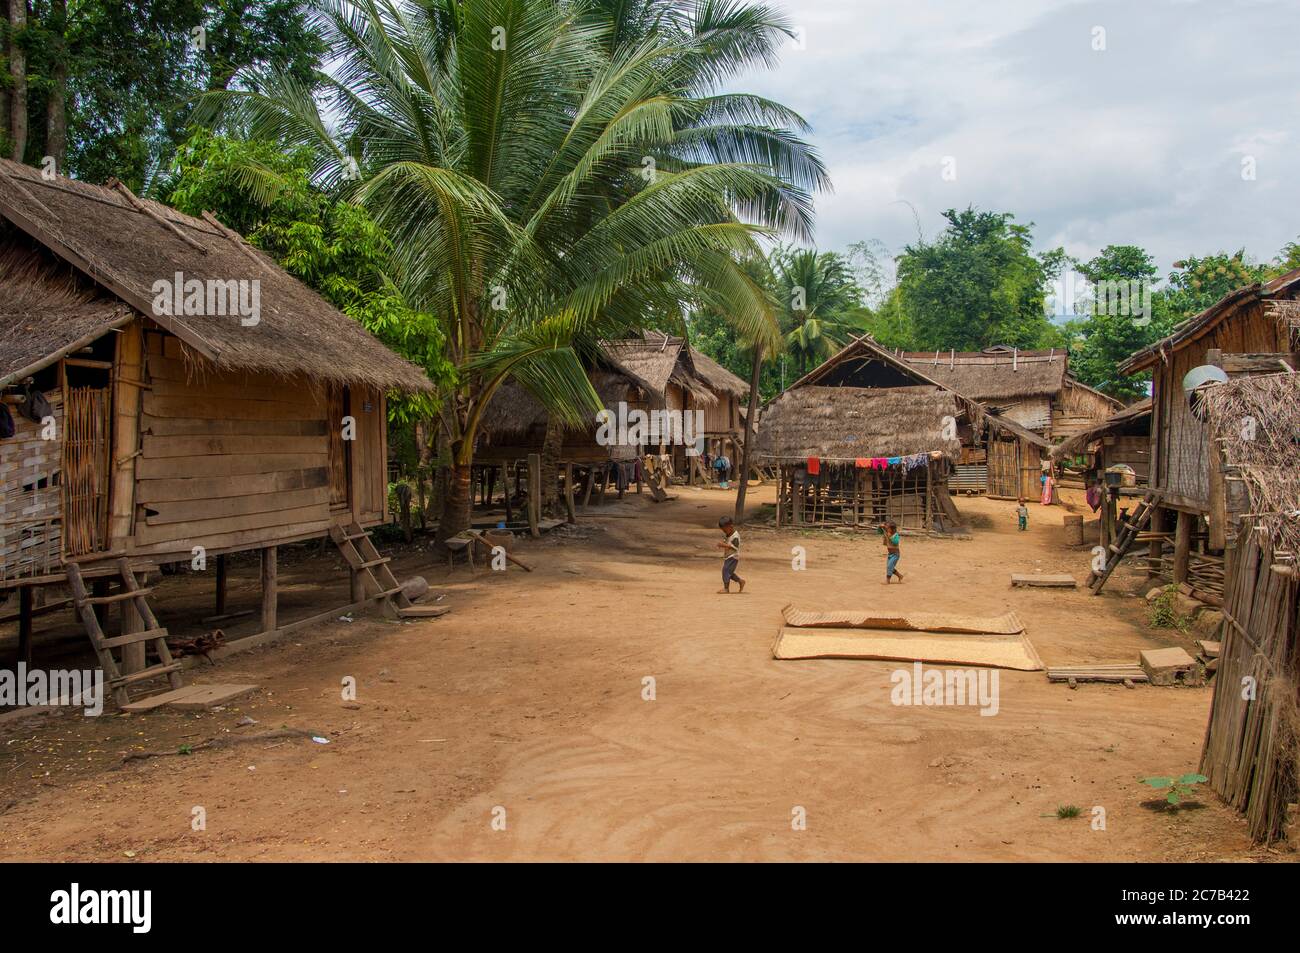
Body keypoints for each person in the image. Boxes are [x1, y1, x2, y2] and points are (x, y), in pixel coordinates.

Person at [716, 516, 745, 593]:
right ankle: (740, 581)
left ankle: (726, 588)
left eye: (725, 530)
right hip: (728, 556)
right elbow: (727, 541)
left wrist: (724, 545)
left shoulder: (735, 536)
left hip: (733, 556)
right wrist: (723, 544)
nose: (724, 532)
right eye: (723, 531)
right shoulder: (729, 534)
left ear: (730, 527)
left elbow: (735, 547)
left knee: (725, 570)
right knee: (729, 572)